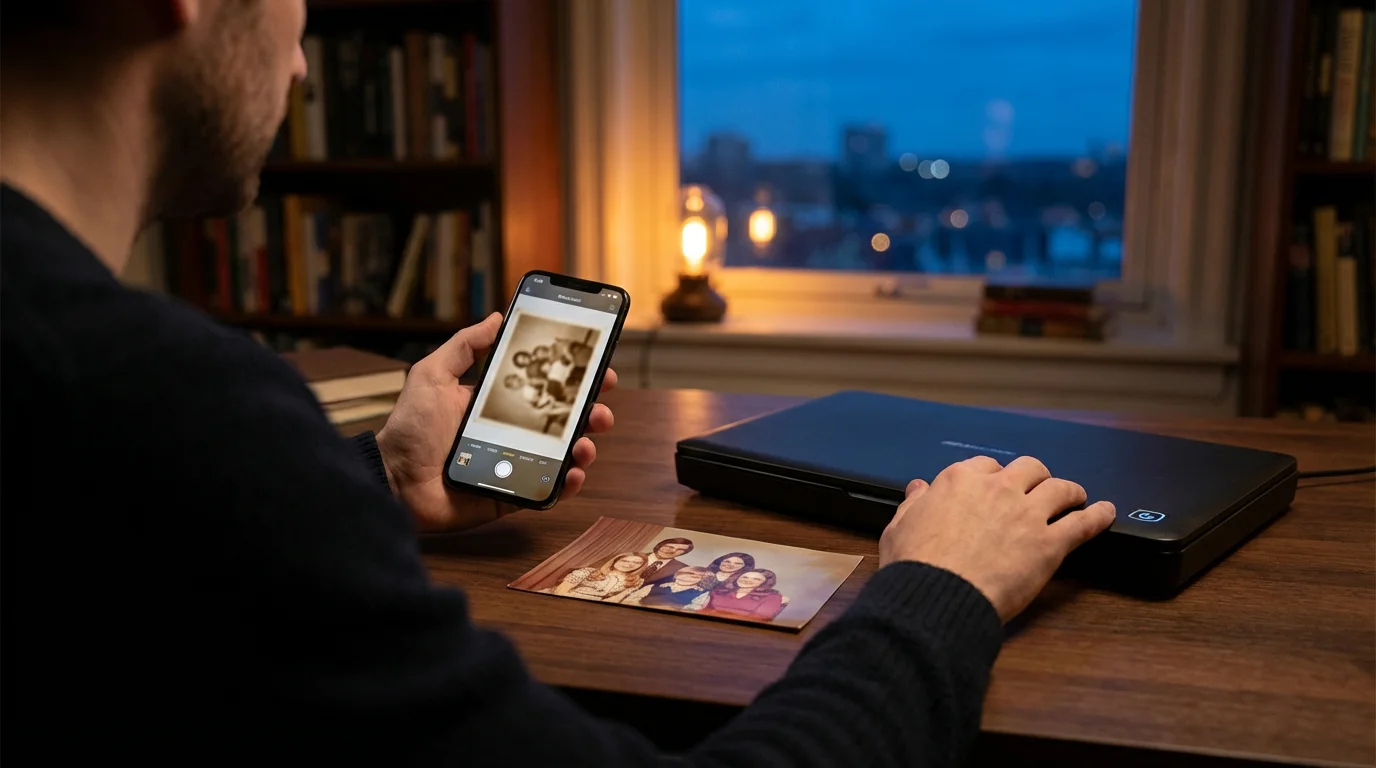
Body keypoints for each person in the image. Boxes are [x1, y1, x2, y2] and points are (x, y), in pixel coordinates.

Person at [0, 2, 1116, 765]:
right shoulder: (165, 408)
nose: (299, 62)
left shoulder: (115, 408)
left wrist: (372, 481)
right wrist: (936, 588)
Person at [542, 553, 648, 601]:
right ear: (614, 561)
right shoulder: (588, 571)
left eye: (636, 563)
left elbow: (615, 599)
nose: (629, 564)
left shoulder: (636, 581)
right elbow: (560, 590)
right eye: (624, 560)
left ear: (641, 566)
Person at [702, 570, 787, 622]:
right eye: (745, 577)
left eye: (756, 579)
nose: (747, 580)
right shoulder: (718, 591)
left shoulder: (773, 597)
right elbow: (704, 611)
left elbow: (760, 618)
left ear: (764, 583)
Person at [619, 566, 714, 612]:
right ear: (677, 575)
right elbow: (630, 600)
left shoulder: (701, 593)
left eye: (699, 576)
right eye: (689, 573)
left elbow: (693, 609)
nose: (692, 577)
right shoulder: (653, 586)